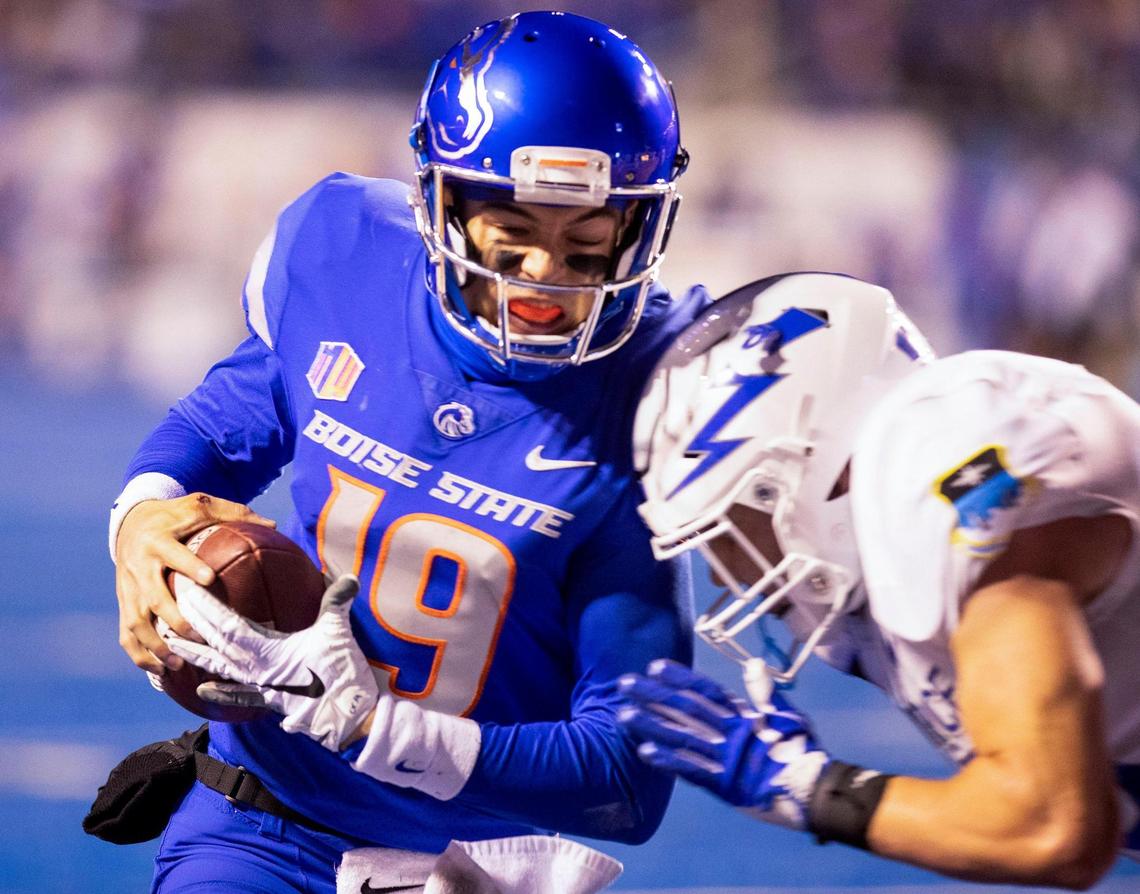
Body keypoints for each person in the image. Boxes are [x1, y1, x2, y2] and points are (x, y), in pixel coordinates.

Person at [108, 11, 706, 892]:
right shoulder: (346, 257)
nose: (545, 274)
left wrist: (379, 729)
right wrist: (139, 520)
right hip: (260, 820)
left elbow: (628, 778)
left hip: (474, 867)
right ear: (442, 202)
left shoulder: (655, 401)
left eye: (587, 243)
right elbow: (218, 429)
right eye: (514, 232)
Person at [618, 271, 1140, 889]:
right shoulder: (907, 530)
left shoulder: (931, 475)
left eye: (733, 523)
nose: (721, 575)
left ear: (803, 466)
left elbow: (1051, 828)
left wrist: (807, 788)